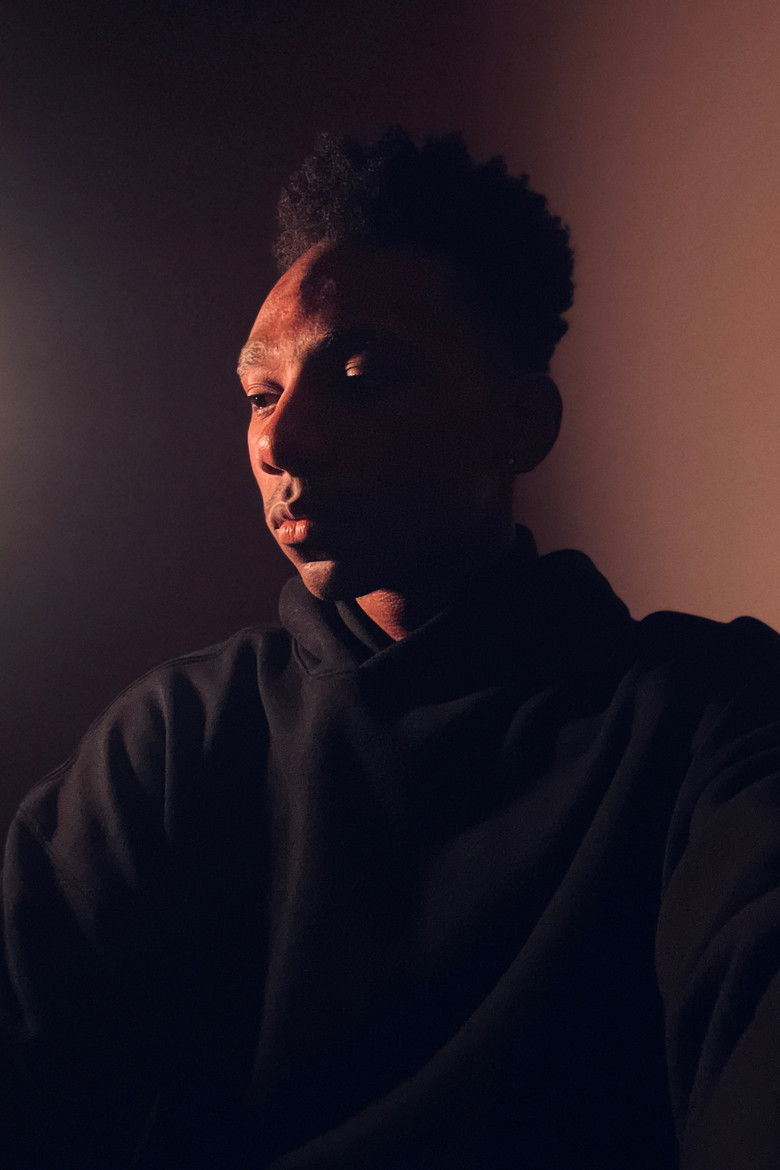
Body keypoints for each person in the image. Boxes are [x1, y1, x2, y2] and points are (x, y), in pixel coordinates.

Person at [1, 128, 778, 1170]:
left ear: (522, 423)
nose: (279, 441)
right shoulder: (176, 740)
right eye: (261, 394)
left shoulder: (710, 720)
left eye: (361, 377)